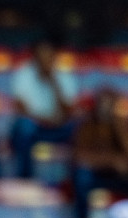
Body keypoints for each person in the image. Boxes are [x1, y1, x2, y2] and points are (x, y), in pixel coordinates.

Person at [71, 87, 128, 218]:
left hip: (121, 177)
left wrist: (120, 129)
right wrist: (111, 161)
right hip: (96, 176)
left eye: (110, 104)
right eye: (102, 103)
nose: (105, 108)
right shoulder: (86, 125)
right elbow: (79, 157)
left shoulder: (126, 124)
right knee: (81, 176)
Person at [8, 39, 77, 178]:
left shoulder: (63, 75)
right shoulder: (23, 74)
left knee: (79, 127)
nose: (45, 60)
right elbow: (21, 110)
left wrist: (54, 83)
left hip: (58, 127)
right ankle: (25, 178)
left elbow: (69, 111)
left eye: (48, 55)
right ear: (35, 57)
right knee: (23, 127)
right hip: (35, 126)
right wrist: (46, 120)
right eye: (41, 56)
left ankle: (71, 180)